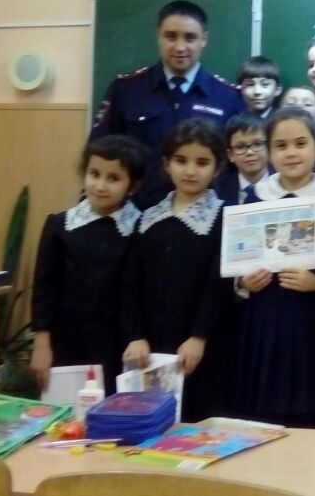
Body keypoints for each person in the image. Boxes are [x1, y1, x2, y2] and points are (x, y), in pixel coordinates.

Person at [231, 107, 315, 427]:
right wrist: (244, 283)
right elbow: (237, 261)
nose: (291, 153)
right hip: (263, 319)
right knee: (259, 413)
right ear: (269, 152)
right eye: (281, 146)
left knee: (309, 412)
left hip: (311, 322)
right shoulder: (254, 198)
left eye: (300, 143)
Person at [90, 0, 246, 208]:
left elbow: (236, 167)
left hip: (204, 218)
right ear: (158, 36)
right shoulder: (125, 90)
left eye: (190, 38)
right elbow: (98, 153)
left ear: (204, 39)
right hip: (136, 214)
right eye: (171, 36)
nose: (180, 47)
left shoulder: (229, 97)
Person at [120, 118, 227, 422]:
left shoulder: (225, 217)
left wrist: (199, 337)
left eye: (202, 162)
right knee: (148, 421)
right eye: (181, 161)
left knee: (198, 424)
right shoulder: (148, 219)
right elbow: (130, 283)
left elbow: (218, 285)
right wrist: (135, 335)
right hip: (149, 346)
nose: (190, 171)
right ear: (166, 164)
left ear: (217, 168)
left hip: (200, 347)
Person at [31, 134, 147, 395]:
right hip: (65, 342)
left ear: (132, 187)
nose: (100, 186)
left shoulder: (141, 228)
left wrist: (137, 336)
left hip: (117, 346)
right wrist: (41, 344)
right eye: (94, 174)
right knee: (66, 411)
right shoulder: (60, 226)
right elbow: (44, 289)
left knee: (113, 412)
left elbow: (137, 293)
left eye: (113, 178)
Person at [213, 113, 268, 205]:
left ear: (268, 147)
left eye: (257, 144)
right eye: (240, 147)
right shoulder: (218, 190)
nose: (250, 152)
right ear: (230, 155)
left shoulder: (284, 183)